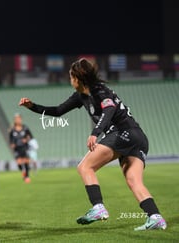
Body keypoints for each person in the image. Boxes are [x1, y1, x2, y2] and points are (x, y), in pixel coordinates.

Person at [19, 58, 167, 231]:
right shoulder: (81, 96)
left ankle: (98, 207)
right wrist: (32, 106)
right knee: (134, 180)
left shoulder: (99, 90)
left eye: (70, 76)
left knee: (85, 167)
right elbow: (58, 111)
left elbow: (109, 109)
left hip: (122, 132)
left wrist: (95, 133)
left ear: (77, 78)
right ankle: (155, 217)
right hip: (137, 137)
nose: (70, 80)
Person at [9, 113, 33, 183]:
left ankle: (27, 177)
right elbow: (10, 139)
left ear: (21, 119)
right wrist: (12, 144)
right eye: (16, 119)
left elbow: (30, 136)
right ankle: (23, 172)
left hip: (25, 147)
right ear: (14, 120)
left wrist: (26, 139)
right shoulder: (12, 130)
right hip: (17, 148)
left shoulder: (25, 128)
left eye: (19, 119)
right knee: (19, 163)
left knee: (26, 161)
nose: (18, 120)